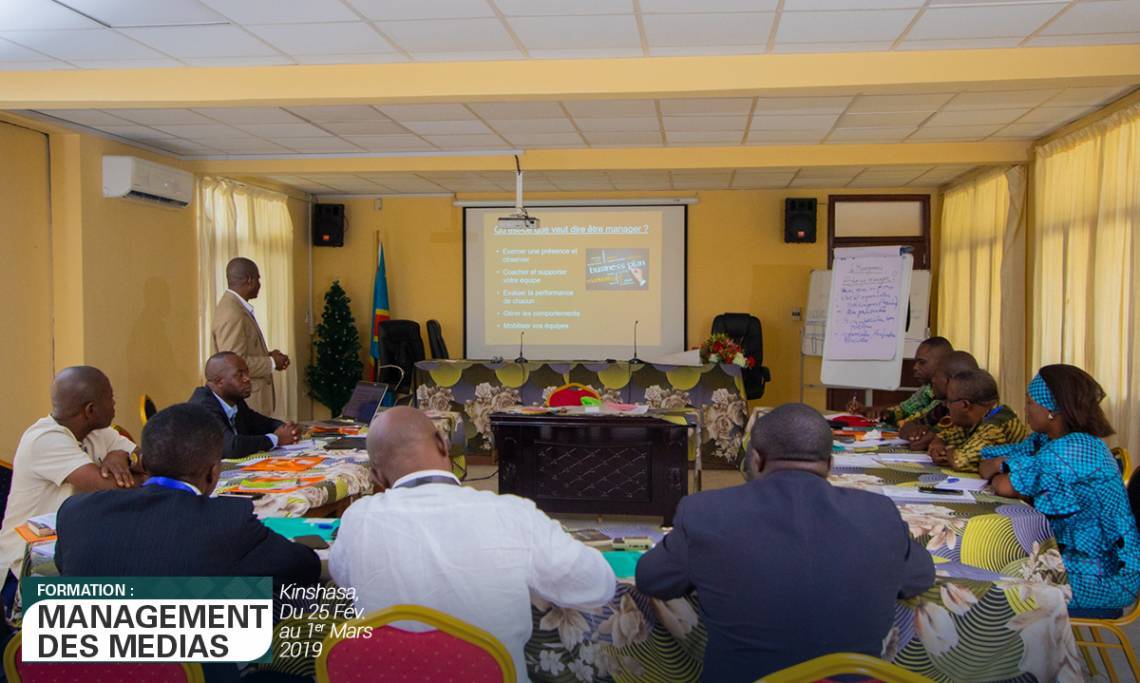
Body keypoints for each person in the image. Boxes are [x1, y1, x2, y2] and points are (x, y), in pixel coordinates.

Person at [636, 403, 935, 682]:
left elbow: (652, 579)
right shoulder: (879, 514)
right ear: (830, 464)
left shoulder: (705, 511)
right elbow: (919, 577)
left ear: (756, 458)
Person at [330, 406, 615, 680]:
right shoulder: (512, 514)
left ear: (378, 477)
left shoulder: (357, 520)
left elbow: (343, 578)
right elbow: (596, 585)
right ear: (444, 444)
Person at [56, 403, 319, 585]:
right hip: (191, 663)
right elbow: (303, 569)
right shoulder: (227, 521)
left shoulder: (76, 511)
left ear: (143, 464)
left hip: (84, 663)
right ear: (213, 473)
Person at [980, 365, 1140, 616]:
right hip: (1070, 559)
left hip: (1102, 576)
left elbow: (1003, 484)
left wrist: (1001, 468)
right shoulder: (1049, 440)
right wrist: (1001, 466)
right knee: (990, 562)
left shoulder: (1072, 451)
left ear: (1052, 409)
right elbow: (987, 462)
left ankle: (1025, 652)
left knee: (988, 587)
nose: (1026, 409)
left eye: (1030, 403)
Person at [0, 367, 142, 581]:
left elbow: (147, 457)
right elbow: (112, 488)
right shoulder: (44, 439)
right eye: (110, 398)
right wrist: (142, 473)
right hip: (31, 558)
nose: (114, 404)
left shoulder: (99, 432)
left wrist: (120, 455)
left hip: (73, 546)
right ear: (90, 410)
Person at [212, 257, 289, 416]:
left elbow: (238, 353)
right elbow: (233, 365)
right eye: (258, 279)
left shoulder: (235, 307)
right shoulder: (232, 313)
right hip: (248, 403)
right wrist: (272, 362)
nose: (260, 285)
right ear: (249, 280)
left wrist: (267, 355)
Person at [188, 352, 299, 459]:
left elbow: (261, 423)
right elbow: (230, 447)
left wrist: (287, 429)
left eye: (247, 372)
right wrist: (276, 439)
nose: (247, 378)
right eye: (240, 375)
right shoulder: (203, 407)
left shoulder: (234, 400)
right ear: (219, 382)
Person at [929, 369, 1028, 472]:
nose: (946, 405)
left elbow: (959, 462)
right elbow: (945, 436)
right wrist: (938, 445)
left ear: (965, 405)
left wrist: (947, 450)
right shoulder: (975, 418)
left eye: (949, 400)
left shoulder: (995, 424)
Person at [849, 336, 952, 424]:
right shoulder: (928, 389)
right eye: (916, 362)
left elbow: (917, 421)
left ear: (943, 363)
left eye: (922, 362)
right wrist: (878, 412)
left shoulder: (952, 394)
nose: (915, 367)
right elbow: (905, 409)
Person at [902, 349, 979, 451]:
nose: (933, 380)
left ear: (951, 381)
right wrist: (914, 431)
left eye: (936, 376)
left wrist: (928, 437)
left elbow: (919, 444)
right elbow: (906, 427)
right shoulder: (942, 407)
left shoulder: (966, 411)